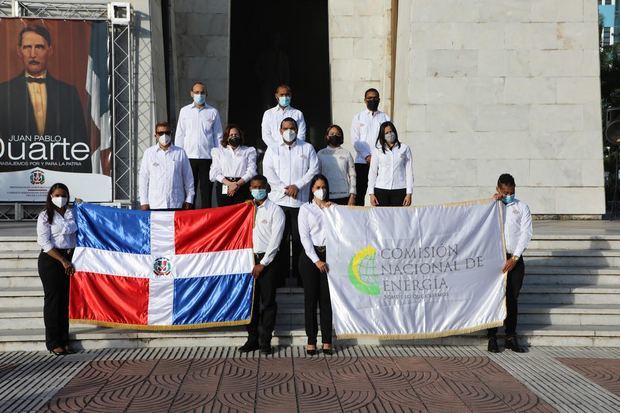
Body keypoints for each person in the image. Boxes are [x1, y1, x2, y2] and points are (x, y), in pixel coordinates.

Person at [0, 25, 90, 173]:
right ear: (19, 51)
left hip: (60, 183)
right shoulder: (3, 93)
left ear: (50, 50)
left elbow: (80, 146)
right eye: (27, 47)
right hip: (13, 184)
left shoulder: (69, 94)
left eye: (39, 47)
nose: (33, 54)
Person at [263, 117, 319, 286]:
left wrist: (298, 186)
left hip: (300, 203)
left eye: (292, 127)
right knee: (279, 240)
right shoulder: (273, 149)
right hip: (278, 201)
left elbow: (314, 169)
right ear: (280, 131)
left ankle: (301, 278)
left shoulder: (307, 148)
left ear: (297, 129)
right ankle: (279, 279)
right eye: (286, 128)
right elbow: (268, 172)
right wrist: (285, 189)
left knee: (300, 240)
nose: (289, 131)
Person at [239, 175, 285, 355]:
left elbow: (275, 241)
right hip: (248, 260)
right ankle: (252, 339)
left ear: (267, 188)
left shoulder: (276, 210)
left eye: (260, 186)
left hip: (268, 262)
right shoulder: (247, 209)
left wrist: (263, 263)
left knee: (268, 303)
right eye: (254, 187)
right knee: (250, 302)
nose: (257, 189)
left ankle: (265, 341)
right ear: (250, 189)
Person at [488, 173, 533, 353]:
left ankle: (510, 336)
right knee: (493, 297)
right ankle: (492, 336)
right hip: (495, 258)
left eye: (511, 192)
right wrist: (492, 203)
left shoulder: (522, 207)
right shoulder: (492, 206)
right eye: (505, 192)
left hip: (514, 258)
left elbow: (526, 233)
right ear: (498, 189)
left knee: (512, 298)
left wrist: (514, 258)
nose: (508, 195)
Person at [36, 183, 77, 355]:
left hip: (70, 257)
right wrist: (62, 260)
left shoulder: (72, 213)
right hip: (52, 259)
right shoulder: (45, 216)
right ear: (51, 196)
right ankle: (53, 342)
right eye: (57, 195)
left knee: (65, 301)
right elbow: (45, 243)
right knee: (53, 301)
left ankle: (64, 339)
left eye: (64, 195)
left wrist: (69, 259)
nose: (61, 198)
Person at [298, 174, 334, 355]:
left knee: (326, 301)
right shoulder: (305, 209)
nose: (321, 190)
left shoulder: (333, 208)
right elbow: (304, 237)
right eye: (317, 187)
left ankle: (327, 340)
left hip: (329, 255)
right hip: (310, 257)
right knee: (310, 300)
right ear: (311, 190)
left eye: (324, 186)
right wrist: (316, 260)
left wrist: (329, 210)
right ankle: (311, 339)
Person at [175, 81, 223, 208]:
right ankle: (189, 222)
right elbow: (180, 134)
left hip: (207, 157)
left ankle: (206, 220)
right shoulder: (184, 111)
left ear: (206, 94)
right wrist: (178, 156)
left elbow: (218, 136)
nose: (199, 95)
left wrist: (218, 158)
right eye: (196, 92)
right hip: (188, 157)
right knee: (190, 191)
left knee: (206, 191)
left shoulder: (213, 112)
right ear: (191, 94)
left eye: (202, 92)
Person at [138, 121, 194, 211]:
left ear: (171, 134)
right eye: (160, 133)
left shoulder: (180, 152)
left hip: (176, 203)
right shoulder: (149, 153)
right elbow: (143, 179)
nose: (164, 136)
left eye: (167, 133)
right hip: (155, 204)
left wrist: (189, 198)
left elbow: (188, 178)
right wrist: (144, 202)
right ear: (156, 135)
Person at [350, 88, 390, 205]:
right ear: (365, 100)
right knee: (359, 195)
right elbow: (355, 140)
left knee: (379, 196)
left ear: (379, 100)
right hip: (362, 162)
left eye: (375, 98)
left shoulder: (385, 118)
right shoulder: (358, 117)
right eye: (370, 98)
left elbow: (387, 139)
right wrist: (367, 156)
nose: (373, 100)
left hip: (380, 164)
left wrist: (377, 157)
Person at [209, 124, 257, 206]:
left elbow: (252, 171)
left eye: (236, 134)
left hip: (242, 185)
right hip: (224, 185)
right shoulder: (218, 151)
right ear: (227, 137)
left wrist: (237, 184)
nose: (234, 136)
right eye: (231, 135)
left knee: (241, 213)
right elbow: (214, 172)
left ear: (240, 136)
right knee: (224, 213)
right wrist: (230, 184)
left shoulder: (249, 151)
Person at [368, 121, 413, 207]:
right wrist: (371, 193)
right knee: (381, 219)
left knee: (399, 219)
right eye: (386, 133)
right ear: (382, 135)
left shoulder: (404, 148)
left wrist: (409, 193)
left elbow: (409, 172)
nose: (390, 134)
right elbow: (373, 172)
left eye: (391, 131)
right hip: (381, 190)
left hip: (399, 189)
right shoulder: (378, 150)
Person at [317, 125, 356, 206]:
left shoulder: (346, 153)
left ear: (341, 137)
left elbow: (352, 175)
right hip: (326, 195)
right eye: (332, 133)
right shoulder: (320, 154)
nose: (335, 136)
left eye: (338, 134)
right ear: (327, 136)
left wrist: (352, 195)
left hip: (344, 196)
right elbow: (317, 176)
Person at [260, 84, 306, 149]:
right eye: (281, 95)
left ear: (290, 95)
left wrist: (294, 147)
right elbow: (266, 135)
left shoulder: (298, 113)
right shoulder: (268, 114)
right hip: (274, 151)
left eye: (287, 94)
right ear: (276, 96)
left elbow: (301, 134)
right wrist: (276, 148)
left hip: (294, 149)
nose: (284, 97)